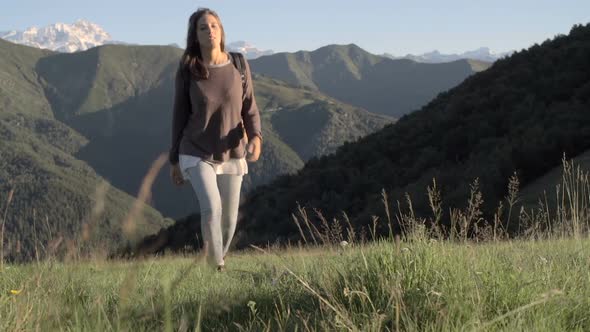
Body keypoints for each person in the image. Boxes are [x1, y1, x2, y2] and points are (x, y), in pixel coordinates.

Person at [169, 8, 262, 271]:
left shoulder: (239, 65)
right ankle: (216, 269)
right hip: (195, 150)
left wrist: (255, 136)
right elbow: (179, 114)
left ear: (221, 32)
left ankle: (217, 259)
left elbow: (250, 107)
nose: (209, 30)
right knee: (212, 207)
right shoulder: (188, 70)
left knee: (229, 220)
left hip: (232, 151)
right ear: (195, 36)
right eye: (203, 27)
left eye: (214, 26)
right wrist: (174, 158)